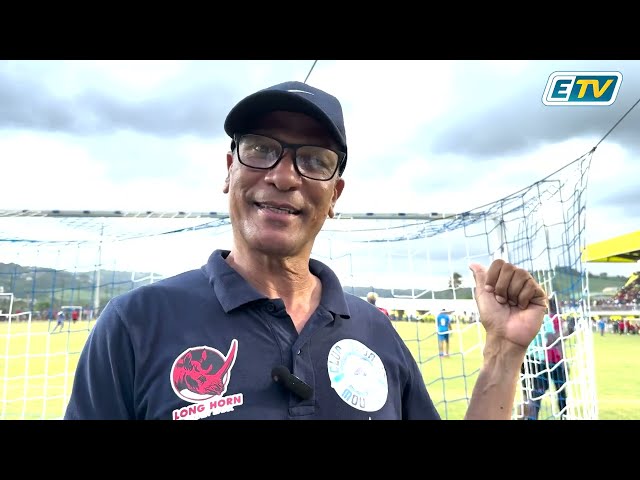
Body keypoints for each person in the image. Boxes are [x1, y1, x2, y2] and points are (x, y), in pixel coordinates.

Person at [63, 80, 547, 420]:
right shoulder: (137, 322)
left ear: (335, 195)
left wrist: (503, 354)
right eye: (260, 149)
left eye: (313, 160)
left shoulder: (376, 332)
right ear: (229, 169)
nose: (283, 175)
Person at [519, 298, 568, 420]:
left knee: (529, 394)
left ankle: (523, 417)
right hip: (543, 361)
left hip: (524, 359)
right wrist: (568, 331)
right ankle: (563, 416)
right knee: (552, 392)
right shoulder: (549, 319)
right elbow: (553, 341)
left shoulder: (522, 316)